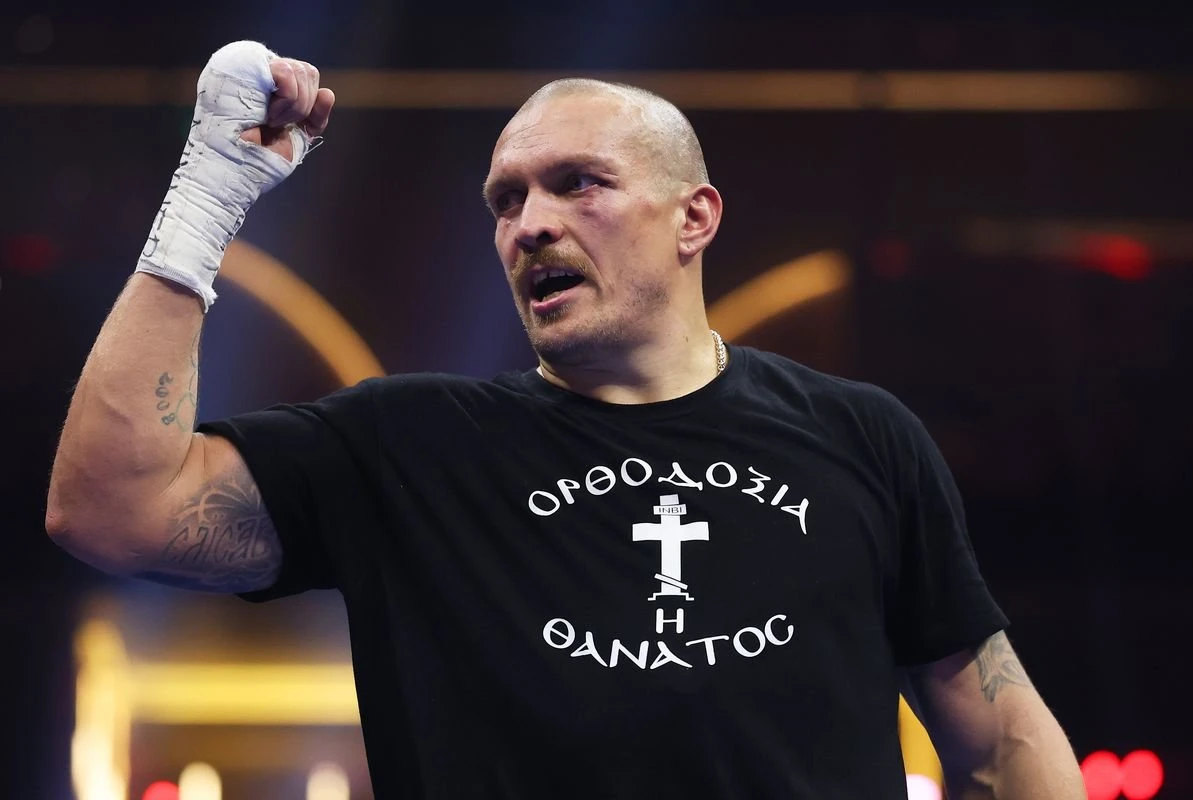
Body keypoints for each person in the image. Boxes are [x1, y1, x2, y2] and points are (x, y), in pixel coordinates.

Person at [47, 41, 1086, 799]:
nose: (530, 224)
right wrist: (205, 201)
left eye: (577, 184)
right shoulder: (415, 447)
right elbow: (110, 509)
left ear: (694, 218)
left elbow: (1005, 744)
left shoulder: (860, 435)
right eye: (506, 201)